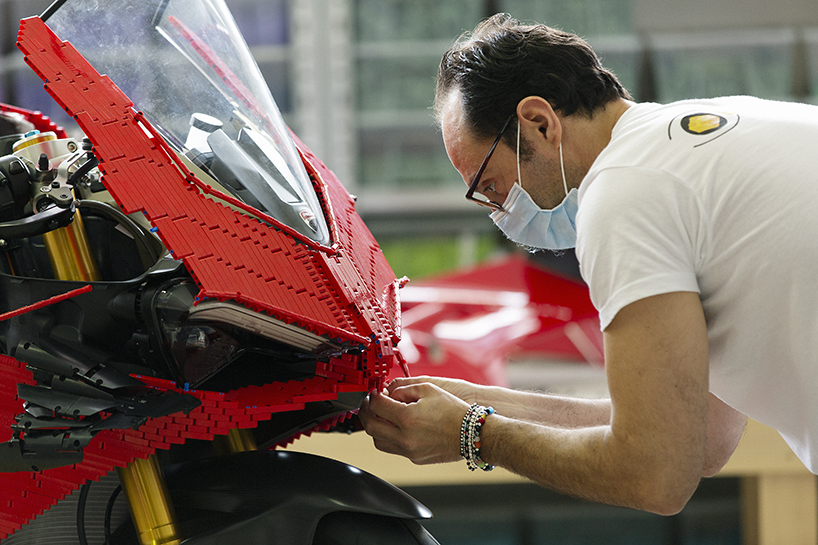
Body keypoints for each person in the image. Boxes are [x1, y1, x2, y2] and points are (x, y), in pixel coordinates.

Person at [358, 13, 818, 516]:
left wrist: (472, 435)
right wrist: (480, 405)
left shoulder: (623, 196)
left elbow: (656, 473)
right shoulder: (701, 136)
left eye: (489, 186)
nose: (498, 213)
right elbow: (701, 434)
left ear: (539, 122)